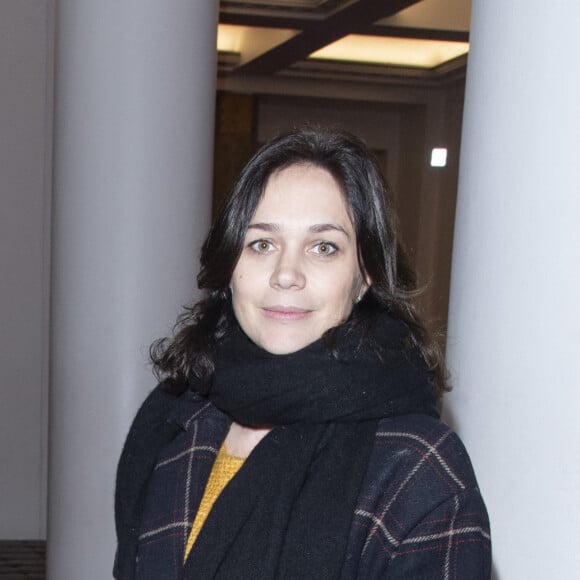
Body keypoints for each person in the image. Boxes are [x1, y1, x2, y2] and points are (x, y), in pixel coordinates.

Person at [114, 128, 491, 579]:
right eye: (262, 244)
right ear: (231, 266)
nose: (286, 273)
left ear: (365, 274)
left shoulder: (417, 467)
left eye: (323, 247)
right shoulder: (172, 420)